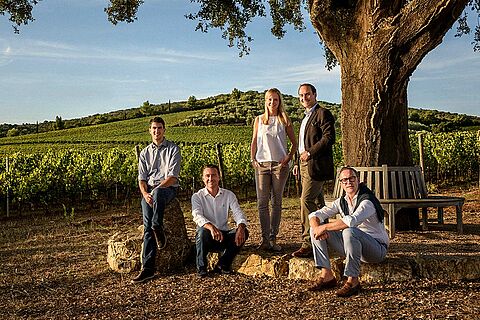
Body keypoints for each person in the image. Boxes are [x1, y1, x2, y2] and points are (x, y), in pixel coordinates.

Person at [307, 166, 389, 297]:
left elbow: (351, 221)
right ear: (341, 183)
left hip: (375, 249)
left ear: (358, 180)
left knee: (349, 231)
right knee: (314, 230)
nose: (348, 182)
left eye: (351, 178)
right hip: (353, 246)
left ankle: (353, 281)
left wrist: (324, 227)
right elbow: (314, 215)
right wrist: (317, 227)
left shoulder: (367, 201)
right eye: (344, 180)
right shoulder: (342, 201)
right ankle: (326, 274)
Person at [131, 116, 181, 284]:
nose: (156, 131)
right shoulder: (144, 153)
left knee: (158, 194)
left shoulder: (173, 149)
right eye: (154, 128)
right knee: (147, 228)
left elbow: (173, 177)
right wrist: (145, 194)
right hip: (150, 192)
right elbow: (141, 179)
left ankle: (157, 225)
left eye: (159, 128)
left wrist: (156, 190)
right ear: (150, 130)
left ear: (164, 130)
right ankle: (148, 269)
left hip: (168, 189)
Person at [250, 88, 297, 251]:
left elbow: (294, 143)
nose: (272, 102)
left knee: (276, 202)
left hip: (279, 166)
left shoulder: (284, 119)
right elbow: (254, 140)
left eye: (275, 100)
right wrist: (252, 158)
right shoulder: (259, 120)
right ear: (265, 101)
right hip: (262, 165)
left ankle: (273, 239)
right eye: (269, 99)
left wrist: (288, 157)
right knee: (262, 203)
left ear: (279, 101)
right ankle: (264, 240)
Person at [292, 83, 336, 257]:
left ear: (315, 94)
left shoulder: (322, 113)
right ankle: (326, 237)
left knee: (306, 200)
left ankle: (308, 242)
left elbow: (329, 138)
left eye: (307, 94)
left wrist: (310, 153)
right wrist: (297, 162)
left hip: (316, 165)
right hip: (304, 164)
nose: (304, 98)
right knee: (318, 204)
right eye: (301, 96)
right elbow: (303, 144)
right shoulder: (305, 117)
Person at [192, 164, 249, 278]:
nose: (210, 178)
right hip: (207, 236)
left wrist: (241, 227)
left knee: (244, 232)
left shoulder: (229, 195)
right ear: (203, 179)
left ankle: (222, 264)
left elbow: (238, 213)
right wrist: (211, 227)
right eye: (207, 176)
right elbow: (197, 216)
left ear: (219, 177)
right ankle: (201, 268)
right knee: (202, 232)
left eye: (213, 175)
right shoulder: (197, 196)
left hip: (223, 235)